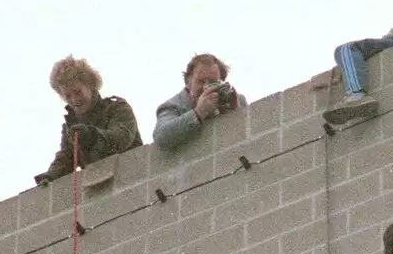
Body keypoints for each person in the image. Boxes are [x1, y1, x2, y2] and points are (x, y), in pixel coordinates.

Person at [36, 55, 141, 186]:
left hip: (133, 178)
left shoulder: (117, 107)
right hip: (99, 188)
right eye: (67, 95)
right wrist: (51, 176)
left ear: (90, 85)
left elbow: (122, 138)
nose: (74, 100)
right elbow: (66, 158)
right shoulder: (71, 126)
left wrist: (93, 136)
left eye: (77, 92)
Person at [153, 53, 247, 150]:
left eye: (212, 82)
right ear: (188, 82)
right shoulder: (173, 106)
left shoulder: (236, 100)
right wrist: (198, 112)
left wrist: (235, 112)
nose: (205, 88)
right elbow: (161, 137)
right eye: (200, 81)